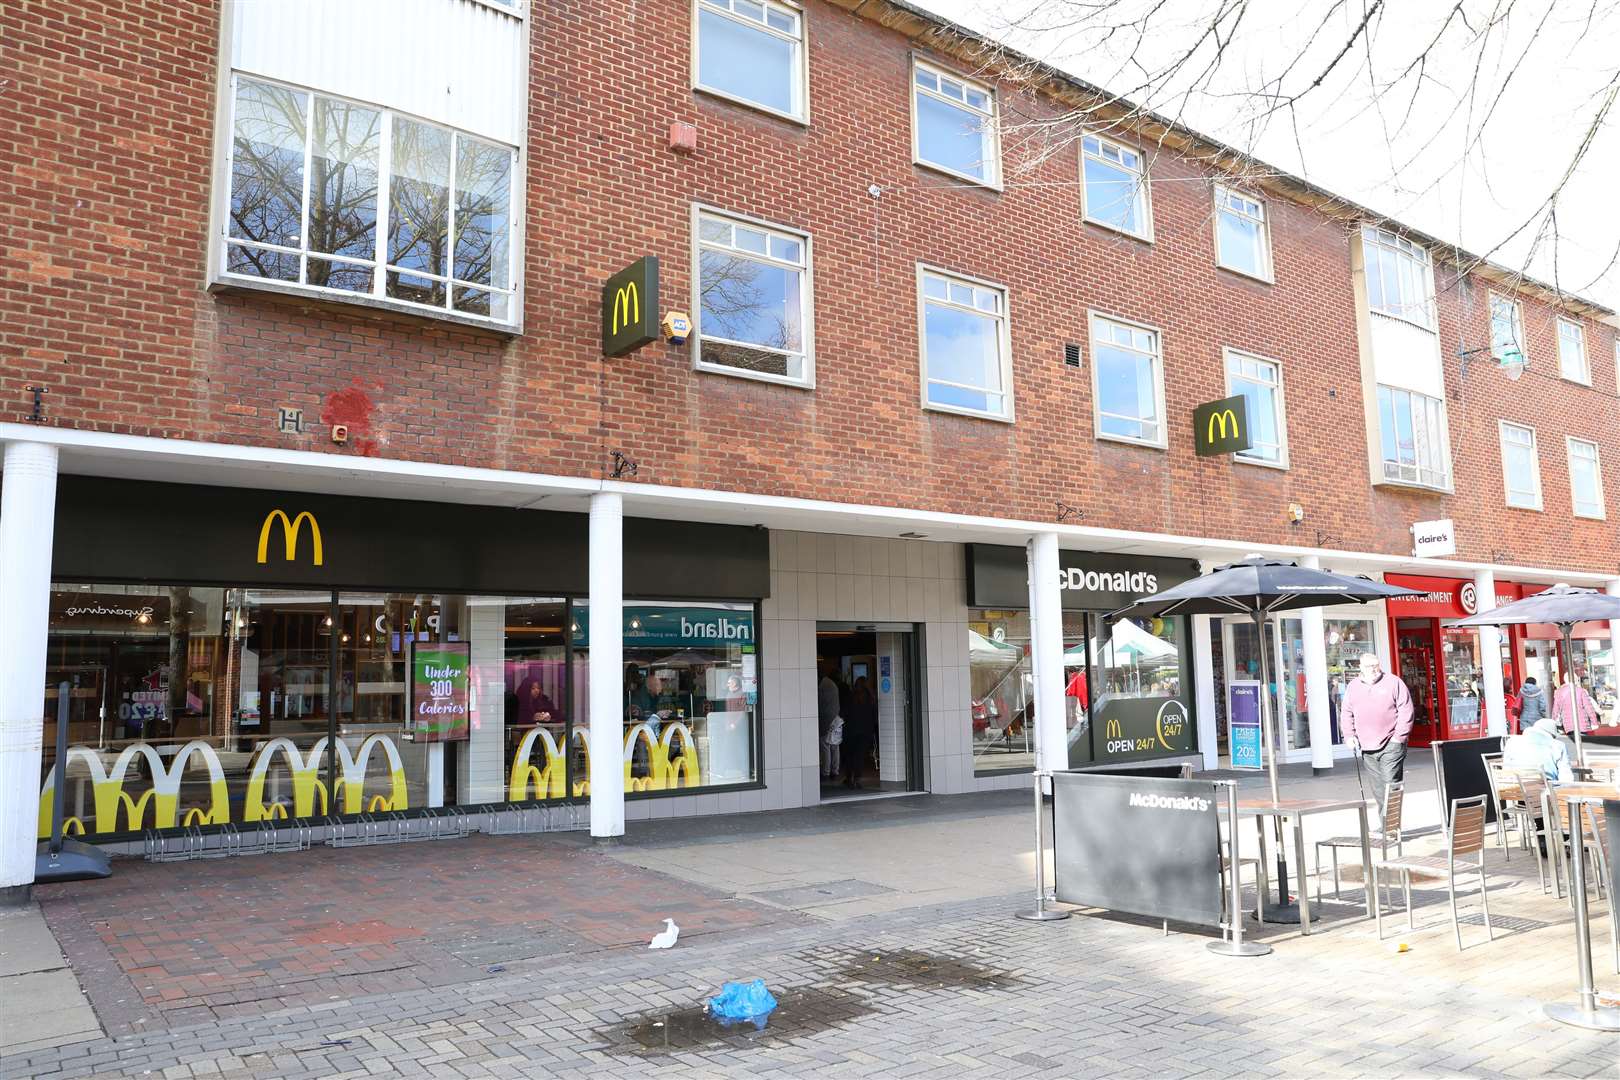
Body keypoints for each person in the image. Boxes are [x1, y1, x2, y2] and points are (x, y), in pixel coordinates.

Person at [1341, 652, 1414, 818]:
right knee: (1378, 788)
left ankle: (1391, 828)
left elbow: (1406, 710)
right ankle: (1385, 824)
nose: (1374, 669)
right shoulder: (1353, 687)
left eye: (1376, 665)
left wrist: (1398, 737)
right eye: (1369, 666)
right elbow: (1346, 712)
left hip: (1391, 743)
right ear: (1360, 667)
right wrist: (1349, 735)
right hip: (1367, 746)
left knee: (1391, 784)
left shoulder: (1394, 682)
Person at [1502, 715, 1574, 784]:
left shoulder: (1512, 741)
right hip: (1546, 791)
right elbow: (1566, 777)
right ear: (1551, 735)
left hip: (1514, 790)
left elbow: (1506, 770)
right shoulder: (1557, 745)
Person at [842, 677, 878, 789]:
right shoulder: (871, 698)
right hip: (865, 732)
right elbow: (874, 717)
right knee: (859, 756)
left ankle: (849, 778)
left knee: (849, 756)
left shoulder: (850, 697)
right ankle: (857, 779)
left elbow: (843, 713)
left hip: (850, 731)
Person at [817, 660, 841, 780]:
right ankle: (835, 771)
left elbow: (820, 704)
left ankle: (825, 772)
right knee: (834, 745)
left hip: (826, 719)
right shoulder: (832, 684)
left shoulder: (823, 686)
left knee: (825, 745)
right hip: (836, 718)